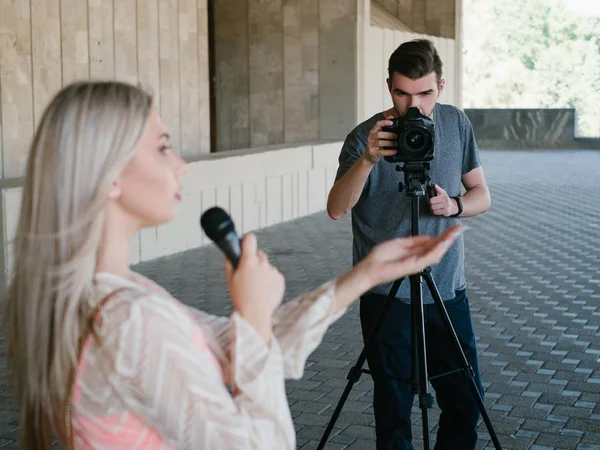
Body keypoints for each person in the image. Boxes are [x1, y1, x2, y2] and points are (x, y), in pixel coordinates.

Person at [1, 80, 463, 450]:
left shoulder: (109, 297)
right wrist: (254, 316)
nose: (180, 164)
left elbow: (242, 356)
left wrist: (364, 275)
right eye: (162, 147)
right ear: (109, 176)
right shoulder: (131, 318)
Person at [327, 39, 492, 450]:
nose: (412, 105)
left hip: (446, 283)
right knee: (394, 405)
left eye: (425, 93)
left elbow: (481, 195)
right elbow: (335, 208)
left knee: (464, 398)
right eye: (402, 93)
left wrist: (454, 204)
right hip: (386, 291)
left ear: (441, 85)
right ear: (389, 87)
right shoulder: (365, 136)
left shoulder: (456, 123)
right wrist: (366, 160)